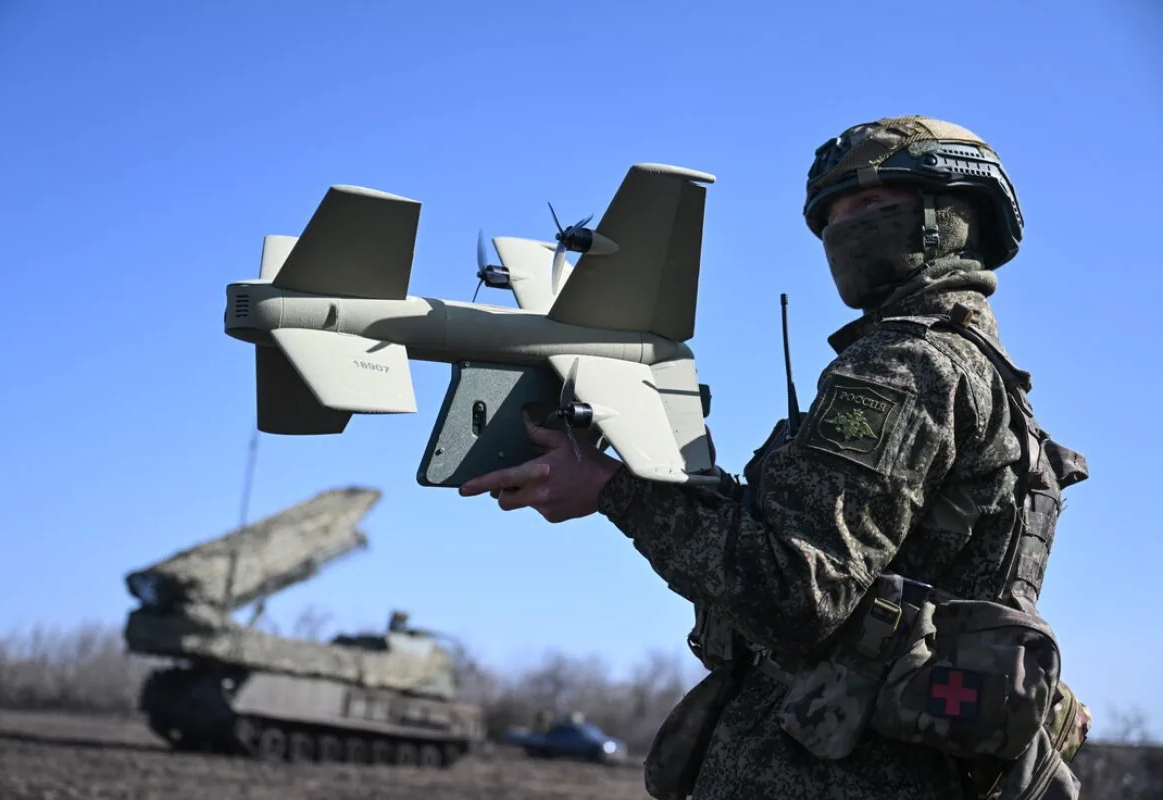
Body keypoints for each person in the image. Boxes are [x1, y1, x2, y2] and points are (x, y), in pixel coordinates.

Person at [459, 115, 1090, 799]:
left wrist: (615, 489)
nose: (845, 227)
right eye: (832, 215)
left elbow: (795, 592)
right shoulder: (976, 374)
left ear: (954, 218)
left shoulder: (907, 366)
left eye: (873, 204)